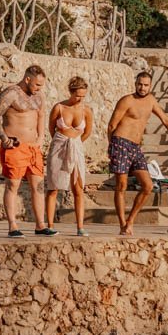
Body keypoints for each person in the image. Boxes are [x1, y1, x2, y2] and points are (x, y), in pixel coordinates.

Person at [107, 71, 168, 236]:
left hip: (136, 147)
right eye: (139, 84)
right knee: (121, 185)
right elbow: (111, 125)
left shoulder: (151, 100)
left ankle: (130, 220)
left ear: (150, 86)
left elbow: (165, 119)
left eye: (145, 85)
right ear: (135, 84)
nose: (142, 88)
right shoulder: (127, 100)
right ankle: (123, 224)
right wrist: (111, 147)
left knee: (148, 185)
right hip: (121, 142)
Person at [0, 65, 56, 238]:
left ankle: (41, 225)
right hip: (15, 146)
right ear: (27, 79)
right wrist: (4, 139)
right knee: (13, 185)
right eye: (37, 85)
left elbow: (41, 115)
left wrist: (41, 137)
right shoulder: (11, 93)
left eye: (41, 85)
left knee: (39, 185)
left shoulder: (38, 96)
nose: (39, 89)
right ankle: (12, 225)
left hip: (33, 148)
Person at [45, 76, 93, 236]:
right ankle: (50, 225)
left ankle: (80, 226)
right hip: (59, 145)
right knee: (53, 187)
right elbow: (51, 128)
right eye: (78, 95)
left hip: (76, 146)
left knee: (78, 187)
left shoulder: (86, 110)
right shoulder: (59, 107)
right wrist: (61, 140)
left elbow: (87, 131)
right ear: (71, 92)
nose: (80, 99)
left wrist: (76, 142)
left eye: (83, 96)